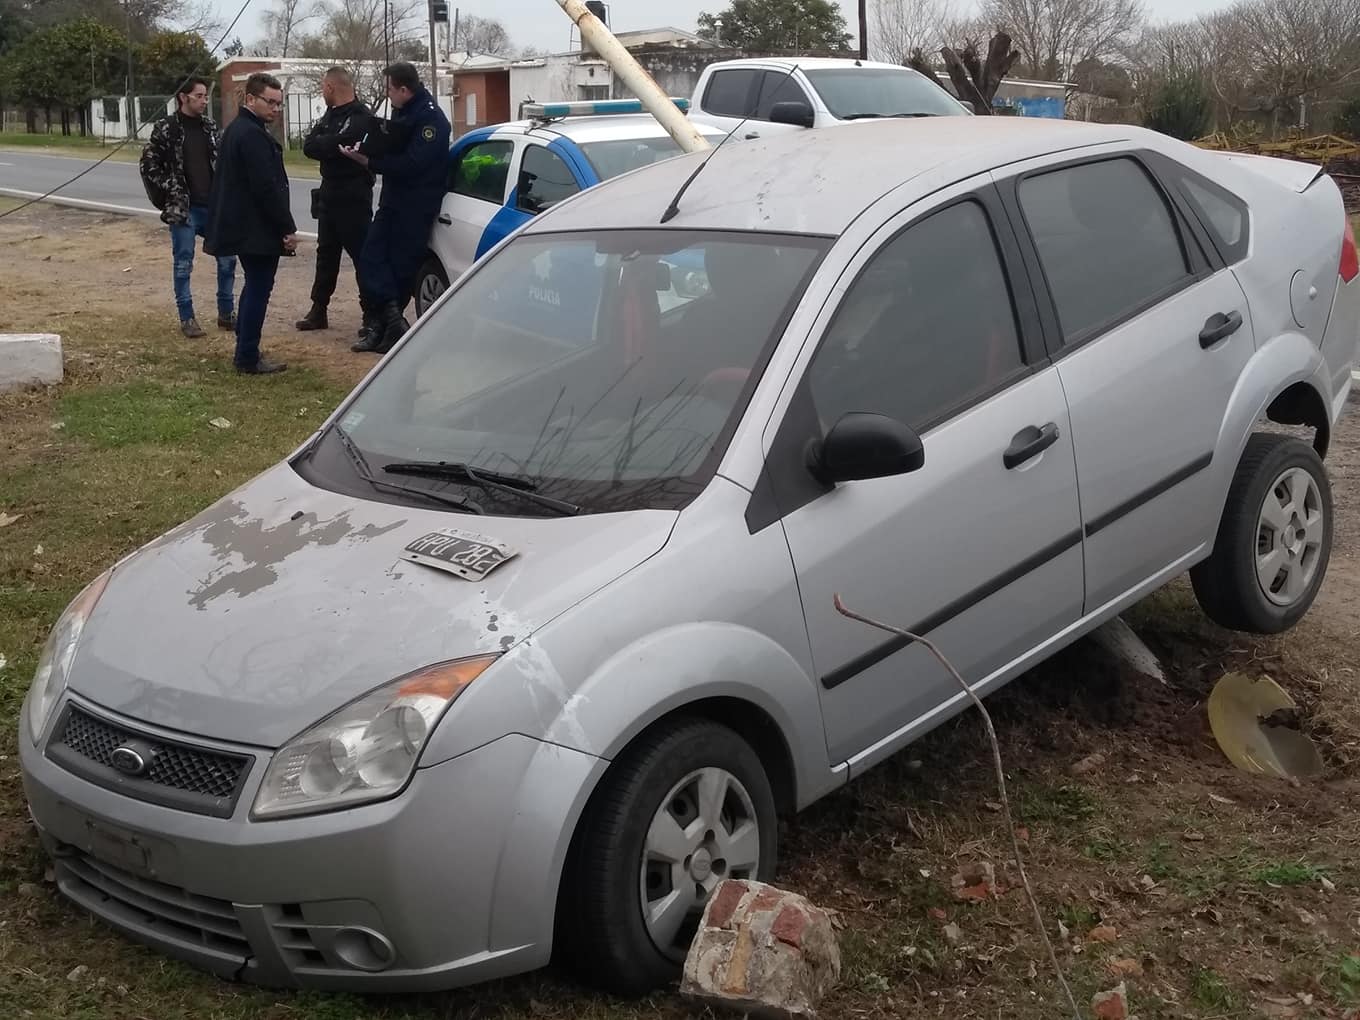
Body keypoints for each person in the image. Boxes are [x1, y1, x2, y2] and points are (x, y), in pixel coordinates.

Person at [340, 61, 451, 354]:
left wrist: (370, 162)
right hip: (392, 200)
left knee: (401, 269)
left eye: (390, 90)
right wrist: (366, 147)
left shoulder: (432, 121)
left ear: (404, 89)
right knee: (371, 257)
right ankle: (392, 321)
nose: (388, 95)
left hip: (416, 204)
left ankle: (382, 329)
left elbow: (414, 164)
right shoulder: (403, 111)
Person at [204, 73, 297, 375]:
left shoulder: (238, 130)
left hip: (245, 226)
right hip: (255, 228)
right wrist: (286, 227)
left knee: (253, 287)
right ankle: (247, 355)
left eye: (278, 104)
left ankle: (245, 348)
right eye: (270, 102)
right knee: (259, 288)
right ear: (250, 99)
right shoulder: (250, 135)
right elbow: (265, 187)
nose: (275, 109)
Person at [138, 76, 237, 339]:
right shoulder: (166, 128)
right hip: (184, 208)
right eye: (199, 96)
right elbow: (148, 163)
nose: (204, 101)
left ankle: (226, 313)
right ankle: (187, 317)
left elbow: (221, 161)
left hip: (214, 205)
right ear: (184, 97)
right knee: (184, 263)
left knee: (228, 258)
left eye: (206, 96)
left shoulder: (209, 126)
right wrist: (170, 188)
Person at [295, 66, 374, 333]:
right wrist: (332, 146)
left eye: (322, 87)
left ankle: (371, 314)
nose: (322, 92)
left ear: (331, 87)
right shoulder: (329, 115)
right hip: (329, 193)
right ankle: (319, 310)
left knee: (363, 257)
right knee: (326, 254)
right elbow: (310, 145)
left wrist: (330, 145)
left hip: (353, 196)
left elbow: (346, 142)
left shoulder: (361, 116)